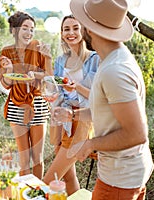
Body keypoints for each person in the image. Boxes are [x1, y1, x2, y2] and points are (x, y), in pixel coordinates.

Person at [53, 0, 154, 199]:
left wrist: (90, 144)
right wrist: (73, 114)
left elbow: (136, 134)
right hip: (127, 173)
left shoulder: (114, 70)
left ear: (89, 29)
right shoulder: (114, 58)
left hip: (119, 179)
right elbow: (108, 110)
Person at [43, 15, 100, 195]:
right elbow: (54, 88)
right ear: (61, 34)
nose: (71, 33)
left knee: (48, 181)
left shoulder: (95, 59)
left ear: (83, 31)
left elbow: (98, 99)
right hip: (61, 120)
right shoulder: (61, 61)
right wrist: (47, 61)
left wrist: (76, 87)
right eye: (66, 29)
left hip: (80, 119)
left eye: (75, 28)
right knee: (67, 176)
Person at [0, 11, 52, 179]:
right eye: (25, 28)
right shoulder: (6, 52)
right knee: (24, 160)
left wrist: (37, 73)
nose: (29, 33)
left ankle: (37, 193)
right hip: (16, 104)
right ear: (14, 30)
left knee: (37, 158)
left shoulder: (38, 47)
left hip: (38, 104)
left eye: (32, 29)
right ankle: (24, 194)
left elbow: (49, 76)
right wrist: (8, 70)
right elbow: (7, 84)